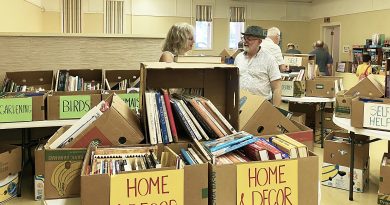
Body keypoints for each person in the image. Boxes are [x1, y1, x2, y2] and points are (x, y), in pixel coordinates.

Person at [234, 25, 282, 107]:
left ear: (259, 42)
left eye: (249, 39)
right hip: (240, 104)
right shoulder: (239, 58)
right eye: (244, 38)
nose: (245, 42)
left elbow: (277, 88)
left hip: (261, 106)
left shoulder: (269, 59)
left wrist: (275, 110)